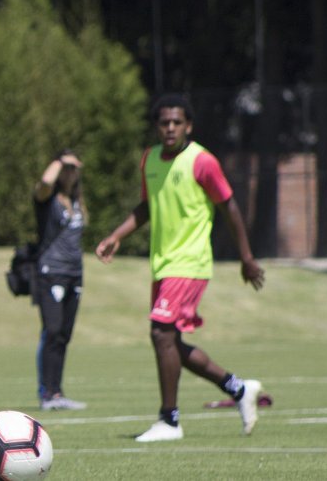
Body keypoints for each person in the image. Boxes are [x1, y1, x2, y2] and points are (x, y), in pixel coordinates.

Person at [96, 93, 266, 442]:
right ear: (157, 127)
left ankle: (169, 420)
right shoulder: (151, 159)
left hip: (190, 263)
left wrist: (246, 258)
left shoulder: (202, 162)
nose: (170, 128)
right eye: (164, 122)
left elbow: (230, 207)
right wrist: (117, 235)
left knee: (161, 334)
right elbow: (147, 207)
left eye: (177, 122)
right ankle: (238, 388)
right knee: (167, 340)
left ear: (188, 125)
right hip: (164, 263)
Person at [31, 150, 87, 411]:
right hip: (50, 272)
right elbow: (44, 183)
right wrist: (59, 161)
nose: (70, 172)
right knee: (51, 331)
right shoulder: (48, 198)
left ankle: (57, 392)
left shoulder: (77, 200)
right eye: (67, 168)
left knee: (63, 335)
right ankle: (46, 393)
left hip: (74, 274)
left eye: (74, 168)